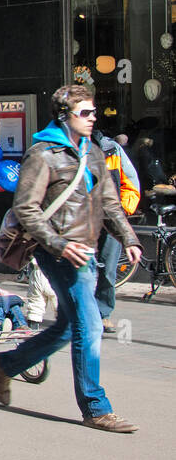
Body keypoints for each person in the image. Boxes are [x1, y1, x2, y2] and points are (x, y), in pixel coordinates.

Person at [0, 85, 143, 432]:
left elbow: (109, 202)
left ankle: (8, 363)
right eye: (85, 112)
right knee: (88, 325)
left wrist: (129, 239)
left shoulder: (92, 153)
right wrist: (58, 245)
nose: (93, 118)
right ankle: (95, 407)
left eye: (94, 112)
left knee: (66, 328)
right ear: (64, 116)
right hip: (58, 253)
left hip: (85, 251)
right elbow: (26, 208)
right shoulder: (42, 154)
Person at [92, 129, 139, 335]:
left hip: (109, 218)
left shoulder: (112, 150)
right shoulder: (67, 151)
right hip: (82, 222)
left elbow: (130, 182)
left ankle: (102, 313)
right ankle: (81, 314)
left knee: (108, 268)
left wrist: (123, 209)